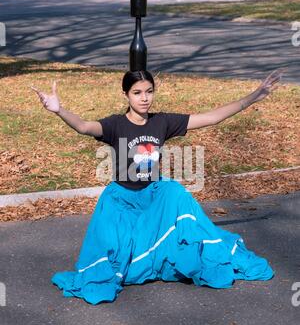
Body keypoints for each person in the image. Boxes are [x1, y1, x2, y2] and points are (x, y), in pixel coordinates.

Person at [31, 68, 283, 305]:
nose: (144, 98)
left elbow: (212, 117)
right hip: (121, 201)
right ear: (126, 95)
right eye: (137, 93)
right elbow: (84, 126)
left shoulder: (161, 122)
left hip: (154, 197)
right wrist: (58, 110)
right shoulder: (115, 125)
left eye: (149, 91)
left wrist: (254, 96)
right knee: (111, 264)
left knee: (176, 192)